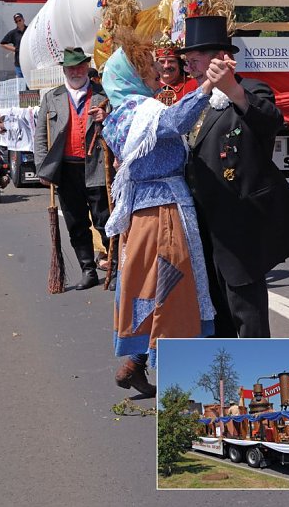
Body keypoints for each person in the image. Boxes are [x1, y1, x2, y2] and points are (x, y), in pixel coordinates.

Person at [182, 15, 289, 338]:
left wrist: (233, 90)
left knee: (248, 315)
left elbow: (270, 121)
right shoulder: (198, 102)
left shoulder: (250, 89)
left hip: (239, 226)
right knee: (216, 313)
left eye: (196, 60)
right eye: (188, 62)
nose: (191, 68)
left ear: (219, 56)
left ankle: (259, 374)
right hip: (205, 227)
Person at [100, 28, 218, 395]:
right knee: (172, 289)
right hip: (162, 213)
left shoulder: (120, 114)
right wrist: (206, 89)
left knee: (151, 288)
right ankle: (176, 382)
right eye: (147, 68)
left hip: (144, 214)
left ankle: (136, 363)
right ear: (130, 77)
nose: (155, 72)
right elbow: (174, 123)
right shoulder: (139, 111)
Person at [33, 47, 114, 290]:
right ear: (64, 70)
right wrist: (42, 168)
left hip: (98, 167)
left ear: (87, 67)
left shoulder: (103, 94)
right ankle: (88, 270)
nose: (76, 71)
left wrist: (107, 117)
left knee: (105, 220)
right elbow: (40, 137)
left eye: (80, 66)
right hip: (67, 170)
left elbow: (120, 122)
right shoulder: (52, 97)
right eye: (71, 68)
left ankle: (115, 266)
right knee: (76, 223)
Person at [155, 39, 199, 105]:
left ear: (179, 64)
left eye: (171, 61)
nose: (166, 66)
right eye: (162, 62)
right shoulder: (148, 87)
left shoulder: (195, 85)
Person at [0, 13, 28, 78]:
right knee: (21, 85)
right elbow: (2, 44)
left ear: (23, 20)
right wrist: (15, 49)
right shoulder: (13, 33)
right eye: (16, 21)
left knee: (31, 85)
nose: (18, 22)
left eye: (19, 20)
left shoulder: (29, 30)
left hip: (29, 62)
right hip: (19, 64)